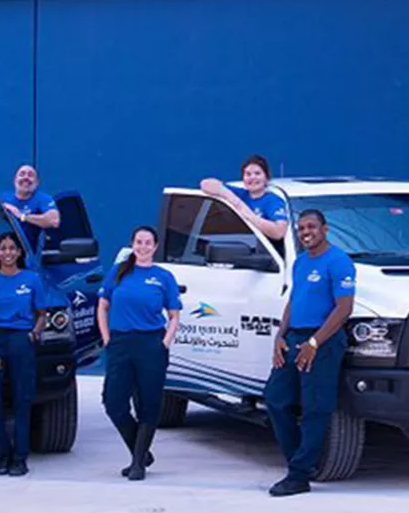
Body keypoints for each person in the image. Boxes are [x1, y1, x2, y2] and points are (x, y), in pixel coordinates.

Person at [263, 210, 355, 497]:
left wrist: (314, 343)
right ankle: (299, 461)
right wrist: (280, 335)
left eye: (311, 227)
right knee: (275, 398)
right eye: (301, 228)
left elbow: (344, 309)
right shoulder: (301, 263)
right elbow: (294, 300)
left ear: (325, 229)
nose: (306, 232)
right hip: (294, 338)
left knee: (316, 407)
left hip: (323, 342)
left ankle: (299, 476)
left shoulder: (339, 261)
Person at [97, 226, 182, 481]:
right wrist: (107, 338)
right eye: (138, 242)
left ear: (155, 247)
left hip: (151, 344)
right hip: (121, 343)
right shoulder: (120, 271)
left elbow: (174, 313)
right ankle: (141, 450)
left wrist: (165, 342)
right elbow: (102, 306)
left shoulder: (163, 276)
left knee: (148, 403)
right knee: (113, 403)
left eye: (148, 243)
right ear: (132, 244)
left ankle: (137, 463)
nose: (142, 247)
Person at [0, 232, 51, 477]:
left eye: (12, 248)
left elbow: (42, 313)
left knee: (22, 400)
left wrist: (34, 333)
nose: (7, 253)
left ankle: (20, 457)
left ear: (19, 253)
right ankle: (3, 452)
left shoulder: (31, 279)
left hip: (21, 341)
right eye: (3, 249)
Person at [200, 154, 289, 241]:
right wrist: (235, 201)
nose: (252, 177)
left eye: (257, 173)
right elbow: (205, 184)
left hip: (263, 252)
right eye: (248, 174)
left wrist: (249, 215)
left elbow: (279, 232)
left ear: (266, 177)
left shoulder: (272, 201)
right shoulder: (241, 194)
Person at [2, 164, 60, 255]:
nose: (26, 177)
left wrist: (22, 216)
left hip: (27, 257)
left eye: (30, 175)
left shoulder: (42, 199)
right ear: (14, 180)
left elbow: (54, 221)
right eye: (22, 174)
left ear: (36, 183)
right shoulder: (4, 199)